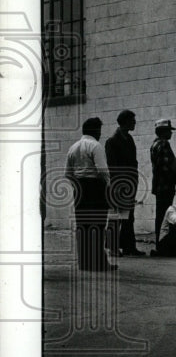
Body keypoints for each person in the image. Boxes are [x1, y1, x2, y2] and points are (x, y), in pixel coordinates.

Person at [65, 117, 116, 272]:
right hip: (95, 187)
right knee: (98, 225)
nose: (100, 134)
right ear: (95, 131)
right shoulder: (96, 146)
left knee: (83, 225)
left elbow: (68, 173)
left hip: (79, 188)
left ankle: (84, 262)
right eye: (99, 130)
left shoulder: (73, 148)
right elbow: (102, 170)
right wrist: (108, 187)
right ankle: (99, 262)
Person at [105, 108, 144, 256]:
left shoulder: (129, 139)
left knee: (129, 217)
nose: (134, 123)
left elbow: (133, 162)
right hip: (118, 185)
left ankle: (129, 246)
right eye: (132, 121)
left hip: (130, 184)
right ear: (125, 122)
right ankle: (112, 247)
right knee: (116, 217)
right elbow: (112, 166)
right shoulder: (112, 141)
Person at [149, 118, 176, 249]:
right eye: (169, 131)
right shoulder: (163, 144)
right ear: (163, 131)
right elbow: (166, 167)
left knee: (160, 213)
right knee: (163, 214)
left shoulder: (154, 144)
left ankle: (159, 242)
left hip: (159, 185)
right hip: (165, 185)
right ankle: (161, 243)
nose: (171, 133)